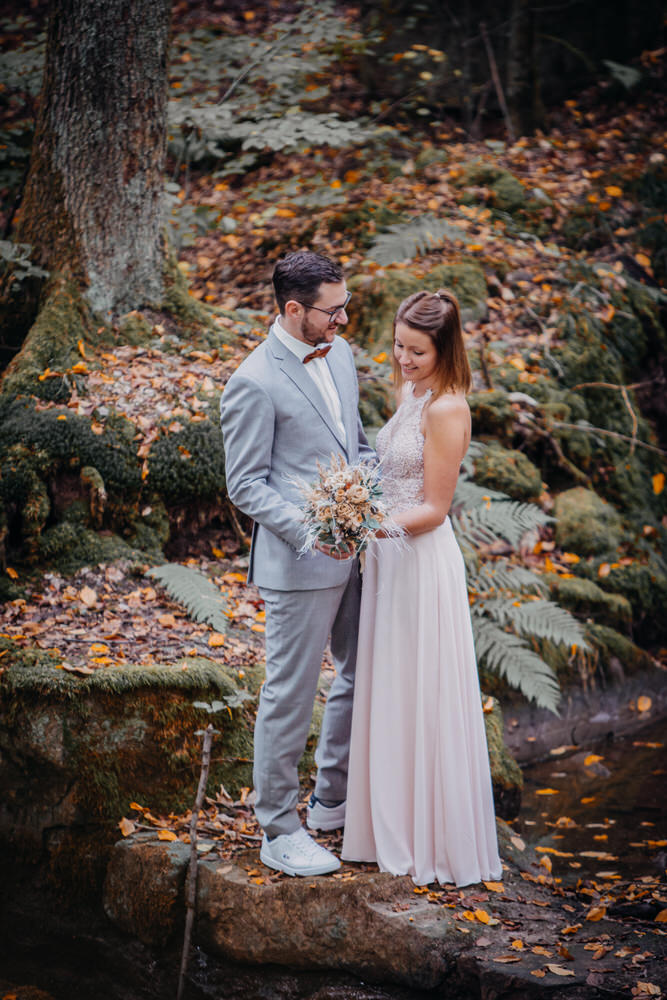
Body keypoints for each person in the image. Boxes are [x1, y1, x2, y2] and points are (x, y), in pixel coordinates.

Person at [220, 251, 374, 877]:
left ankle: (331, 799)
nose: (343, 320)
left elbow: (357, 445)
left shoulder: (341, 354)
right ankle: (278, 829)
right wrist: (317, 529)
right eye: (332, 311)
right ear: (292, 309)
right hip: (300, 562)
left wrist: (373, 506)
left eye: (345, 307)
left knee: (367, 670)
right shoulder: (252, 381)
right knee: (288, 693)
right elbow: (247, 484)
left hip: (361, 549)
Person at [341, 289, 502, 887]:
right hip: (387, 558)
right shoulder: (414, 393)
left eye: (416, 351)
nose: (403, 360)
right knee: (390, 685)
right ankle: (384, 824)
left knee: (420, 688)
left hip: (419, 558)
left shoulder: (448, 409)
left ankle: (427, 836)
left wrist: (363, 523)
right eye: (398, 346)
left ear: (445, 349)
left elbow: (435, 508)